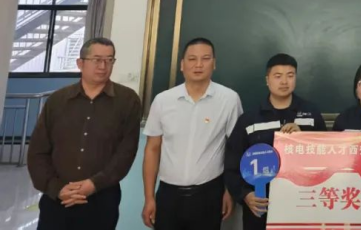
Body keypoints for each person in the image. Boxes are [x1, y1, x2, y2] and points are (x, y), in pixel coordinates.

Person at [27, 37, 142, 230]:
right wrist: (57, 188)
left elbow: (126, 153)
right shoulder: (58, 100)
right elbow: (38, 151)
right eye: (97, 59)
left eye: (109, 60)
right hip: (57, 199)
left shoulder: (127, 101)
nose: (103, 66)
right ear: (80, 63)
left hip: (101, 200)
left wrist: (93, 184)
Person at [141, 38, 243, 230]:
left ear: (214, 63)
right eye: (192, 59)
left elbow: (236, 148)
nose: (198, 65)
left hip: (210, 194)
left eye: (205, 58)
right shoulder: (163, 101)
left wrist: (230, 191)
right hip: (168, 194)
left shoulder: (229, 99)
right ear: (182, 64)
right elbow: (152, 149)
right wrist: (149, 197)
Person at [224, 53, 326, 230]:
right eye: (278, 76)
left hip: (302, 204)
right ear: (267, 80)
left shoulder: (311, 114)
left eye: (290, 75)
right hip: (261, 207)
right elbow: (232, 163)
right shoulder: (250, 119)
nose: (284, 81)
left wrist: (303, 139)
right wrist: (245, 195)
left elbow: (326, 157)